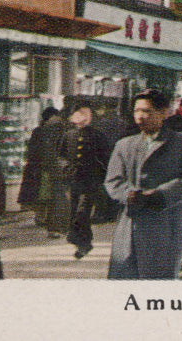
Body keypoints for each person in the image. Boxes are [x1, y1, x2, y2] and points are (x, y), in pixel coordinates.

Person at [103, 89, 182, 279]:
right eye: (136, 111)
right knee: (125, 278)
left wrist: (160, 195)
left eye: (146, 111)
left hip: (166, 222)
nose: (140, 117)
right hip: (130, 223)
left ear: (164, 112)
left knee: (158, 281)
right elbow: (112, 180)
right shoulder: (124, 145)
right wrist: (127, 194)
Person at [58, 101, 112, 259]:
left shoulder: (97, 135)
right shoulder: (68, 135)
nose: (84, 117)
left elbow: (105, 158)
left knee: (82, 212)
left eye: (86, 114)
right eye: (80, 113)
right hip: (73, 180)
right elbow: (61, 156)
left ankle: (83, 242)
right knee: (75, 211)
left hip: (91, 180)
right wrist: (66, 169)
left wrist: (102, 177)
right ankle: (82, 242)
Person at [18, 106, 66, 234]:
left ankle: (40, 216)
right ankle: (43, 217)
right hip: (43, 167)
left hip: (37, 166)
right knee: (45, 193)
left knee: (42, 193)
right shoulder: (53, 131)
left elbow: (32, 150)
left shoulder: (39, 131)